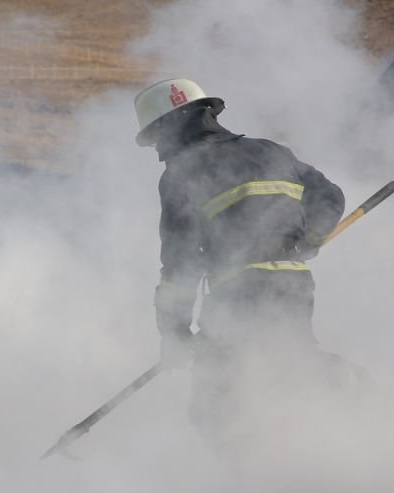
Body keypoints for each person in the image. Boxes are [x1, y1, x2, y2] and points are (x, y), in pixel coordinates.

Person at [133, 78, 347, 446]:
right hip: (294, 282)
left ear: (170, 127)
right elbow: (330, 196)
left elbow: (180, 265)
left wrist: (175, 333)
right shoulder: (271, 151)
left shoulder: (181, 174)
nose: (158, 149)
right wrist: (310, 239)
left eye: (155, 139)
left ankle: (256, 475)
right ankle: (342, 392)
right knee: (290, 367)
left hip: (238, 291)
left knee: (216, 403)